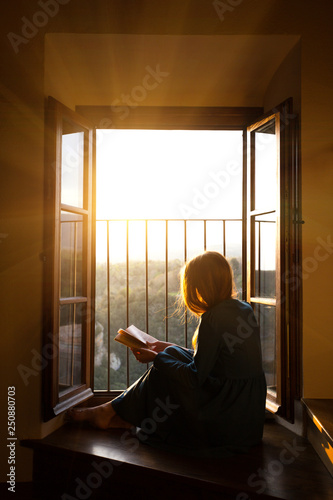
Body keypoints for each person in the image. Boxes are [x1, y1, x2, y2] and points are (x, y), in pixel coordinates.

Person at [68, 251, 267, 457]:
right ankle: (112, 412)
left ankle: (108, 412)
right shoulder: (243, 308)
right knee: (171, 352)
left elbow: (194, 377)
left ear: (198, 286)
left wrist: (156, 358)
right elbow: (219, 360)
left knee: (162, 367)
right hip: (246, 416)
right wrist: (165, 348)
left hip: (225, 417)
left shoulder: (213, 319)